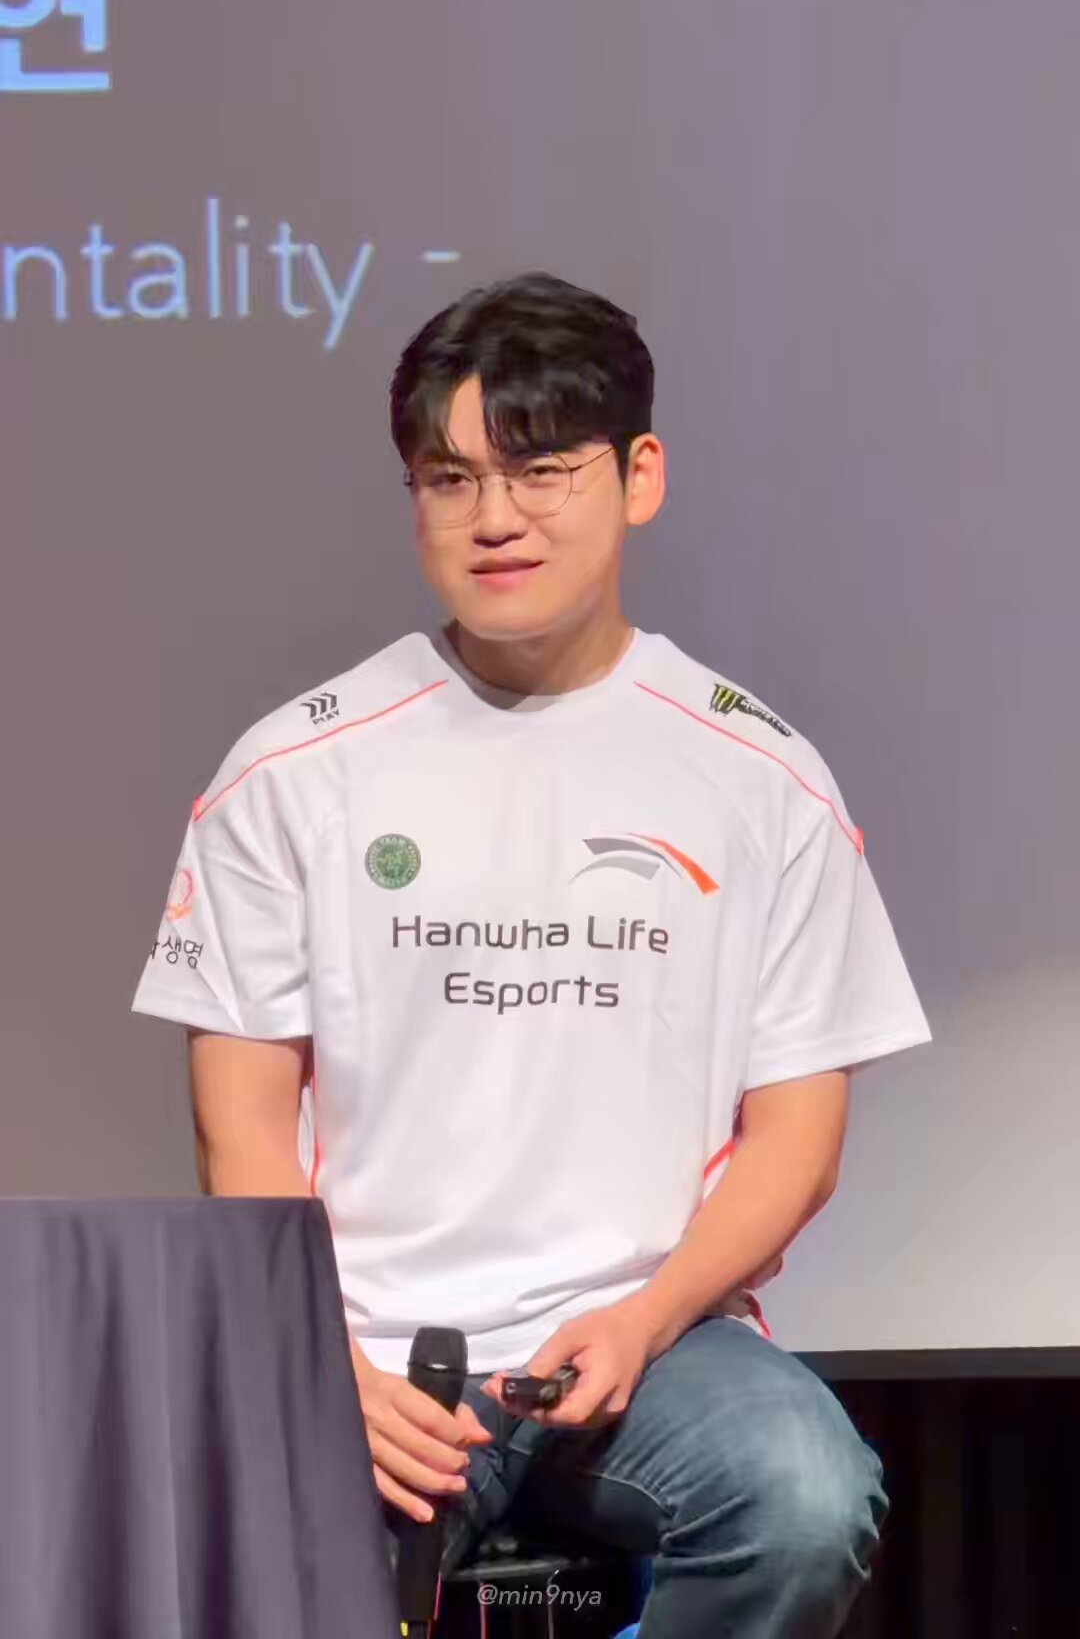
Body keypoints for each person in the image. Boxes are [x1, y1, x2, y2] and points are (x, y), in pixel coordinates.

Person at [131, 269, 932, 1637]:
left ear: (639, 476)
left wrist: (646, 1317)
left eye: (542, 471)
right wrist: (320, 1364)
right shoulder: (293, 770)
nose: (494, 518)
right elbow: (241, 1128)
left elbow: (799, 1140)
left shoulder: (761, 776)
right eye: (450, 480)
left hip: (651, 1347)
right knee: (213, 1538)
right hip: (365, 1346)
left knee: (803, 1498)